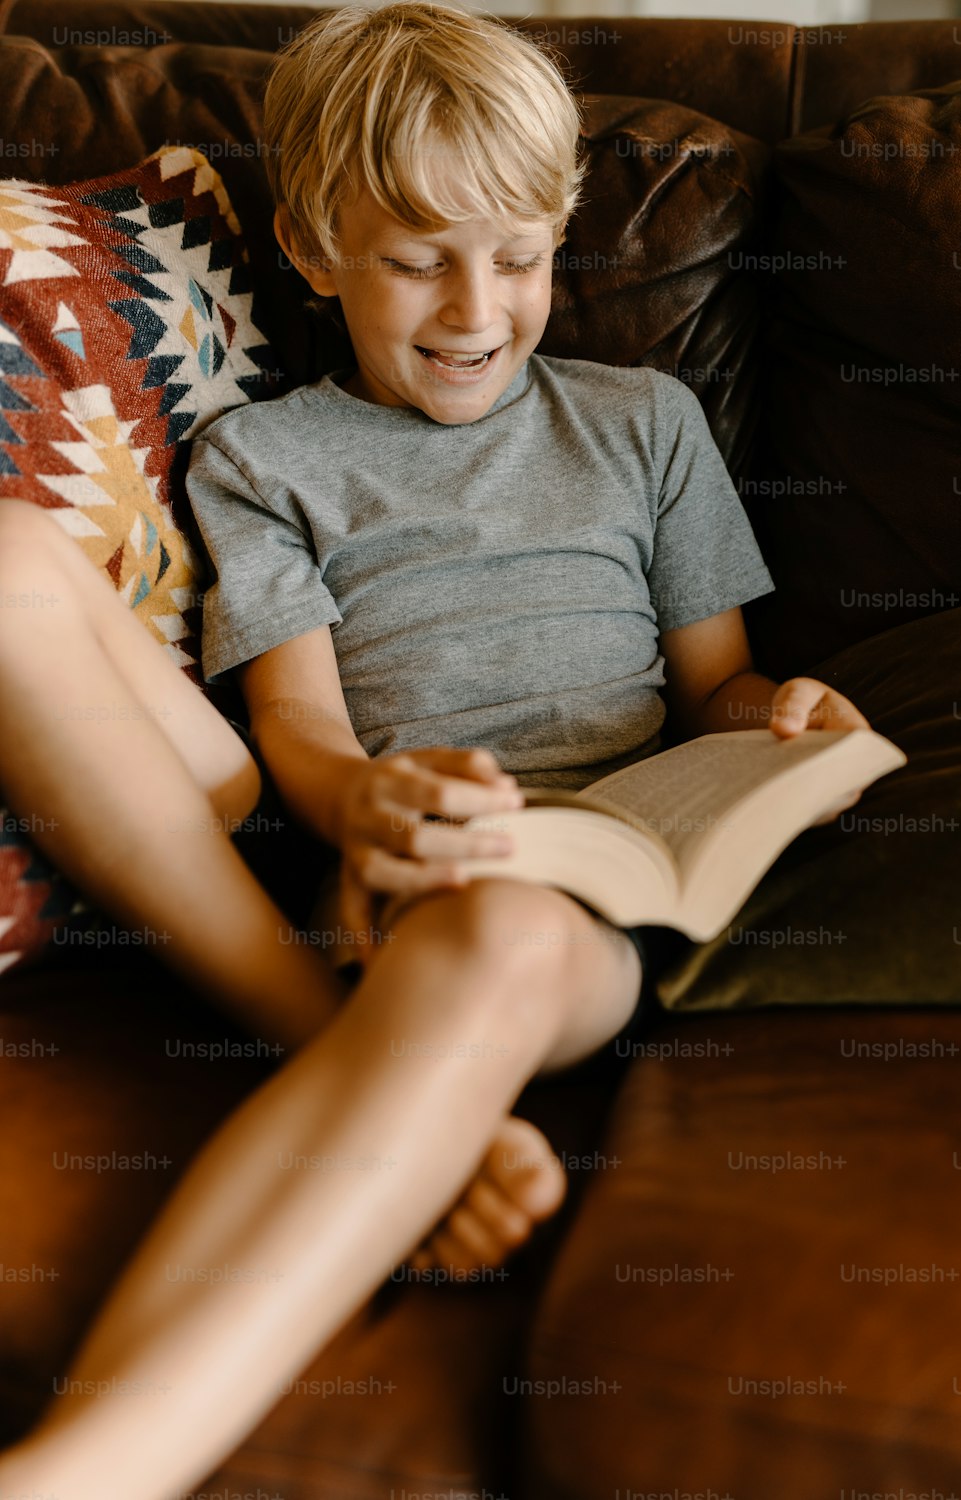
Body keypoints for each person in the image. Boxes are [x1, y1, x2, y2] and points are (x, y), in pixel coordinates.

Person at [0, 6, 869, 1499]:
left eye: (521, 257)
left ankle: (90, 1472)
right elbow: (300, 739)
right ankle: (383, 1087)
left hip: (579, 906)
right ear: (316, 250)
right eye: (417, 259)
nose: (479, 307)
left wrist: (784, 717)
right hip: (361, 866)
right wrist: (376, 806)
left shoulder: (646, 421)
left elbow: (716, 686)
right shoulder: (262, 458)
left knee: (497, 930)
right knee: (11, 558)